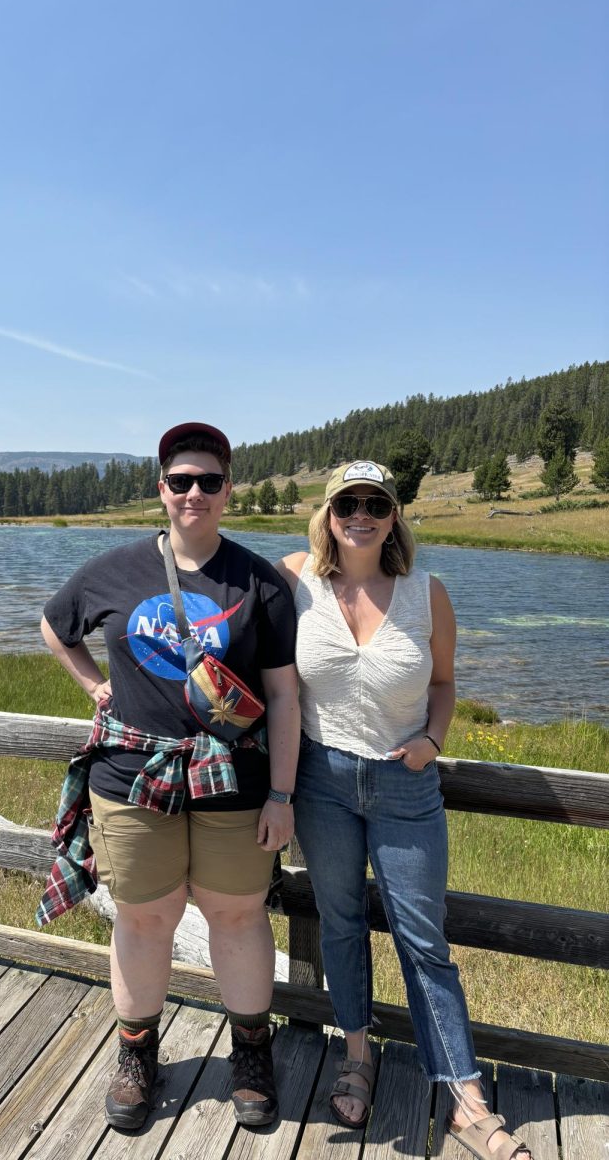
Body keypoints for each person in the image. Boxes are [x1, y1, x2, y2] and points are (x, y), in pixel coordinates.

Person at [38, 422, 300, 1131]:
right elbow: (54, 626)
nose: (194, 493)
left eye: (208, 481)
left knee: (237, 915)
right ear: (161, 491)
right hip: (130, 777)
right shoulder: (110, 570)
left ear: (228, 491)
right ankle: (135, 1054)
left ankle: (250, 1051)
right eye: (180, 481)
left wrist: (282, 793)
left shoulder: (260, 582)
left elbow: (282, 696)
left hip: (234, 781)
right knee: (144, 918)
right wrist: (92, 683)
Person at [277, 461, 532, 1160]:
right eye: (347, 503)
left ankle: (465, 1098)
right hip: (321, 780)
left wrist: (431, 739)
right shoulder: (296, 578)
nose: (360, 514)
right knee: (340, 921)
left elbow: (445, 683)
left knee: (424, 941)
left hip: (404, 784)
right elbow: (242, 644)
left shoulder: (428, 593)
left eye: (375, 504)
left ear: (393, 517)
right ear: (329, 513)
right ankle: (356, 1054)